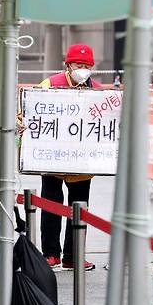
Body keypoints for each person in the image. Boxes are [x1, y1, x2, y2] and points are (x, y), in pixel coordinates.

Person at [38, 44, 99, 271]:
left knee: (79, 208)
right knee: (51, 206)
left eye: (86, 66)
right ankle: (50, 254)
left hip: (82, 163)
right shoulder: (49, 84)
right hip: (51, 160)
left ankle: (73, 257)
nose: (82, 69)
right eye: (78, 65)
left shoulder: (100, 92)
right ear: (68, 65)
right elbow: (28, 111)